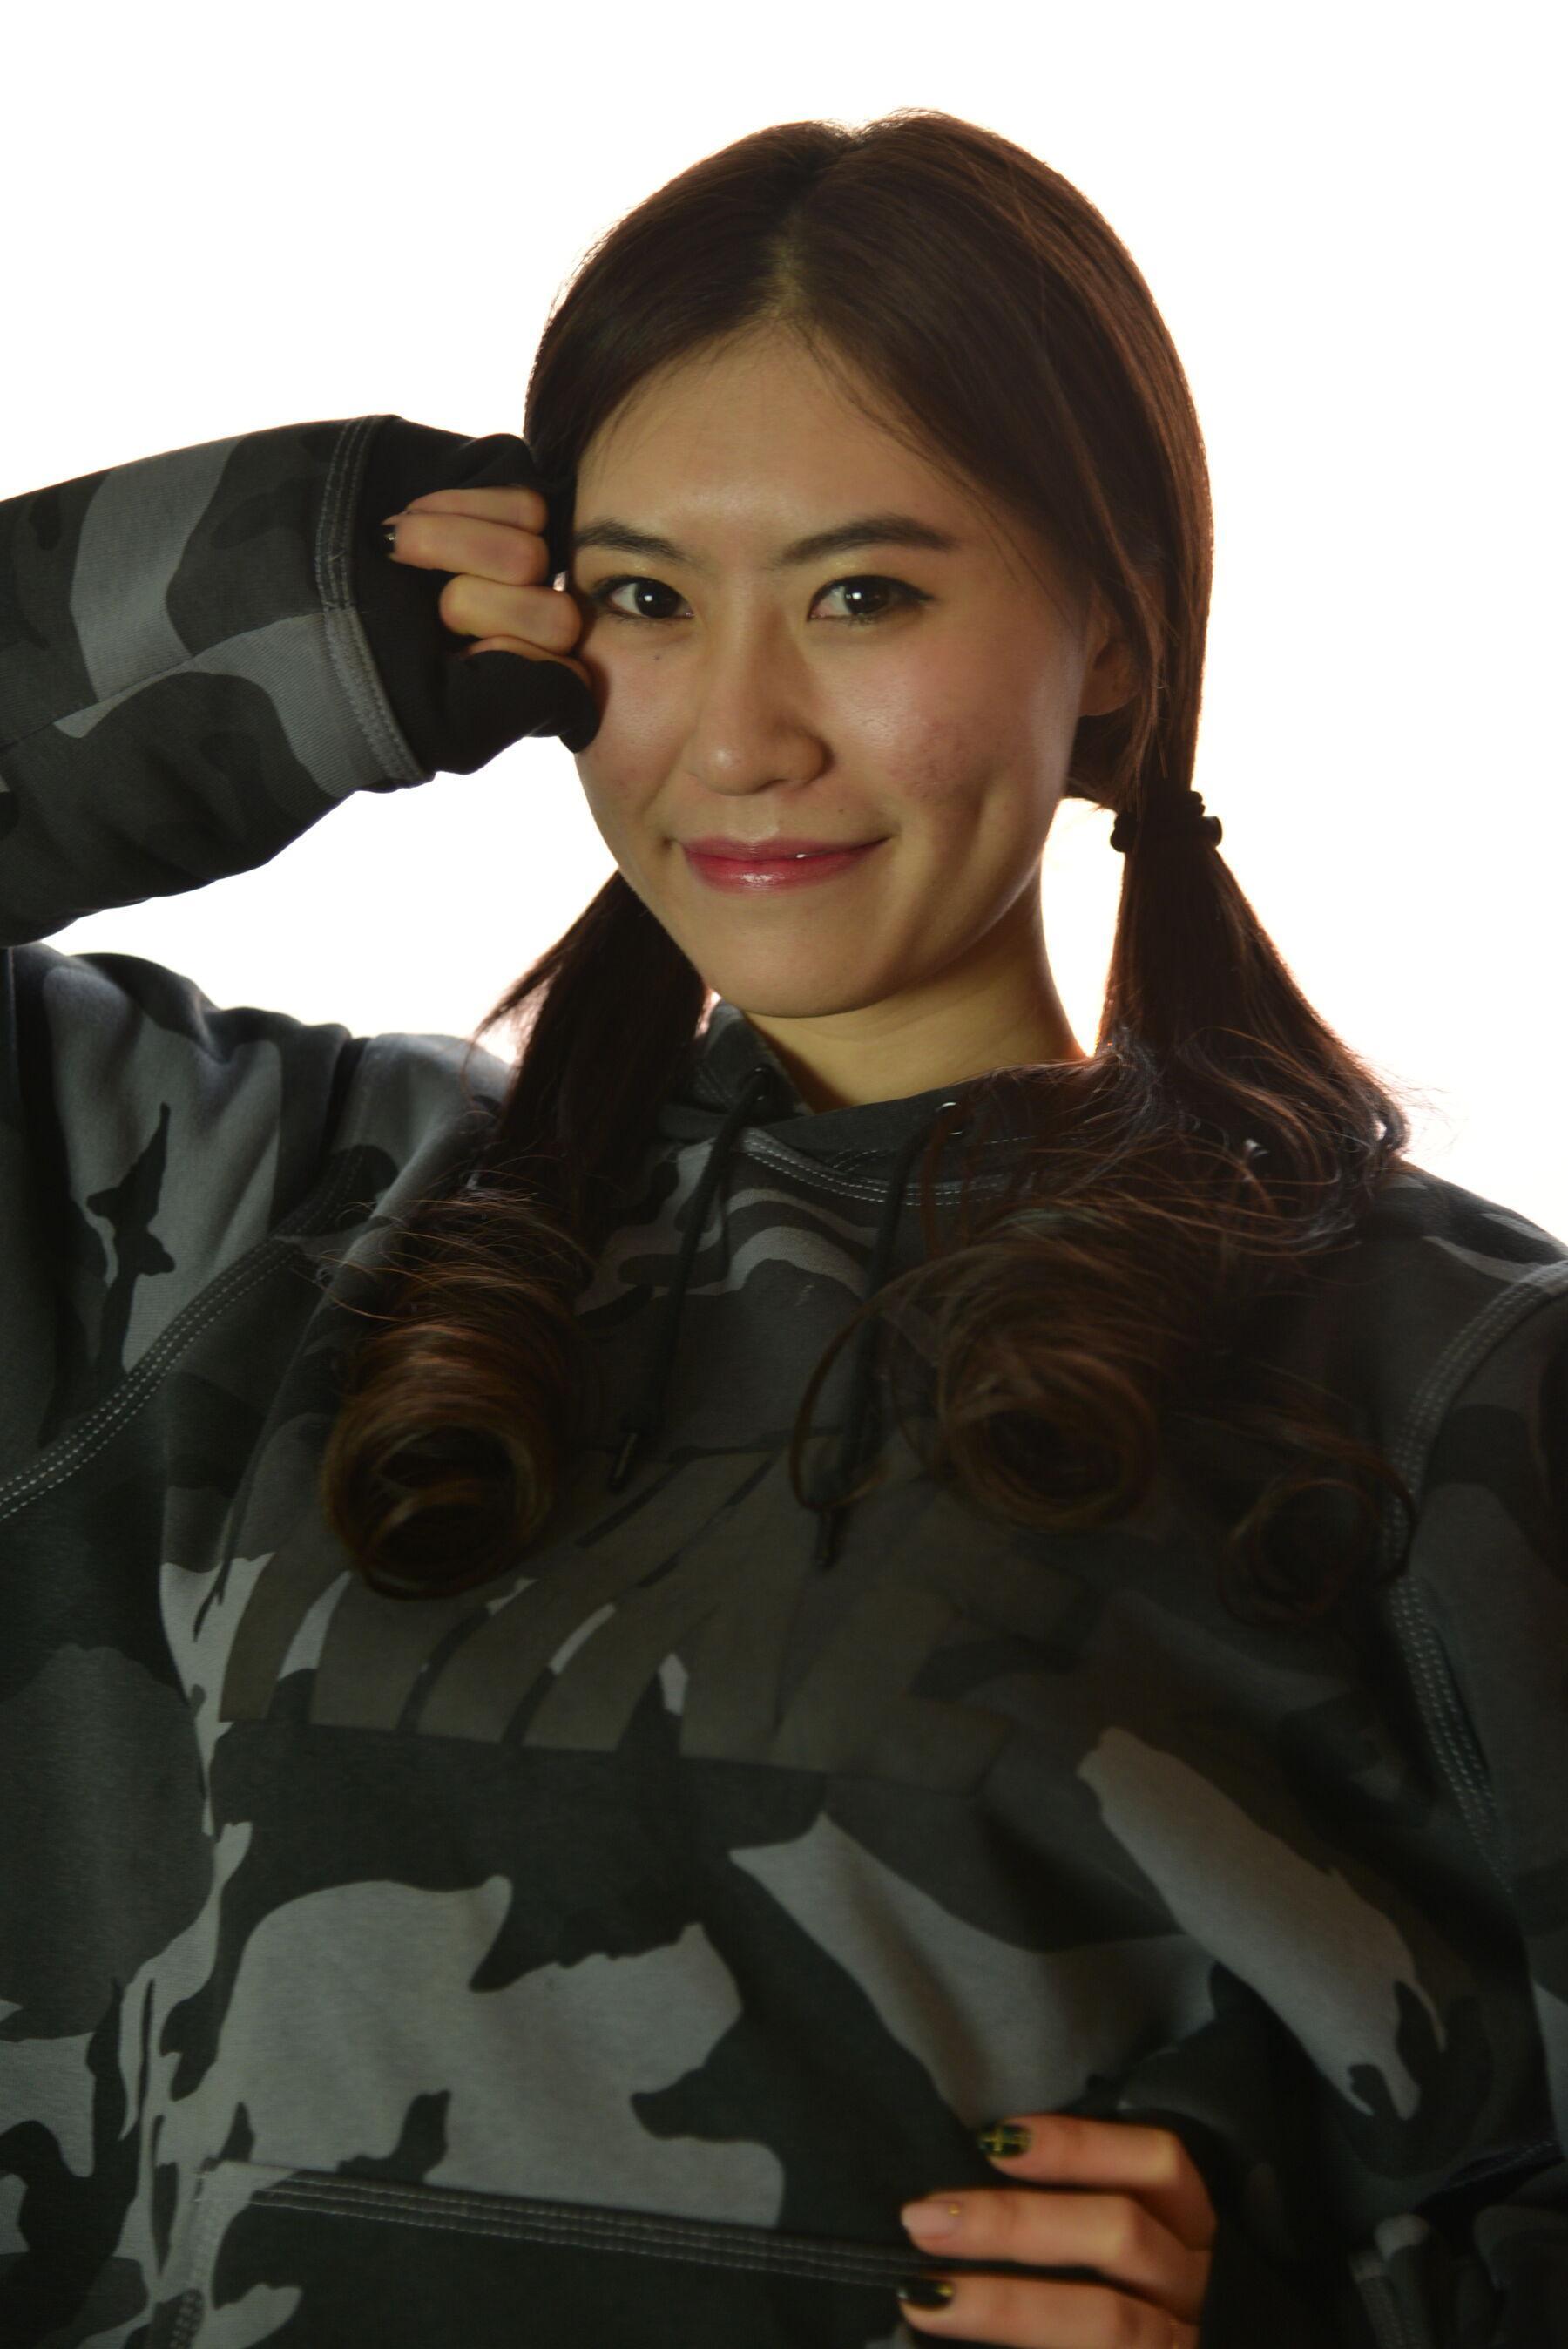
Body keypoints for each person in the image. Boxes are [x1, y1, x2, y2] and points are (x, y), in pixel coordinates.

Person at [1, 110, 1563, 2349]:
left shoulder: (1449, 1384)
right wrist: (285, 595)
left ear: (1115, 640)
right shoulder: (247, 1233)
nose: (736, 737)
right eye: (645, 599)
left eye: (862, 596)